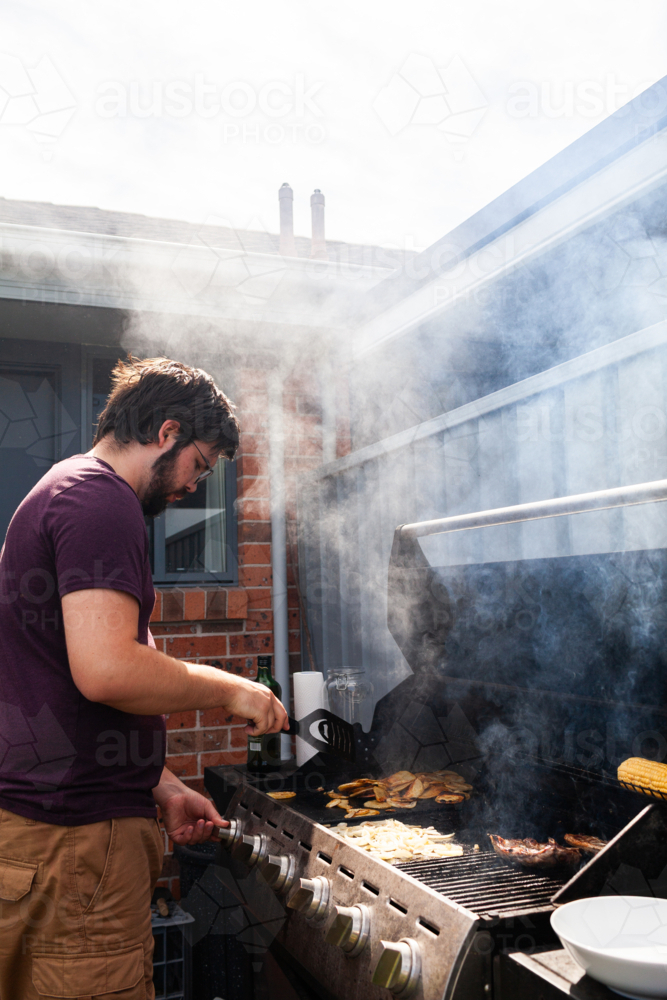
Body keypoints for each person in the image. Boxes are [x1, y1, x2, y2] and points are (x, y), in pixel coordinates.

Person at [0, 356, 288, 999]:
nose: (194, 485)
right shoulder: (102, 502)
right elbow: (106, 671)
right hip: (78, 851)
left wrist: (160, 785)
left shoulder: (59, 489)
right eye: (200, 464)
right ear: (167, 432)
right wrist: (233, 689)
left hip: (47, 834)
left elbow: (54, 682)